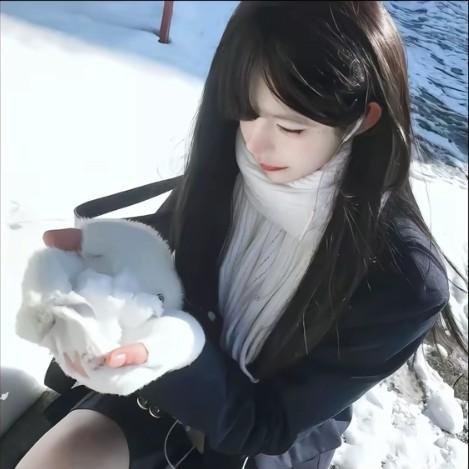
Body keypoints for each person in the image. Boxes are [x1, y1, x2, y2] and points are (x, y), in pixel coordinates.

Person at [16, 2, 462, 469]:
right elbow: (179, 249)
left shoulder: (404, 280)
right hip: (156, 386)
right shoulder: (234, 157)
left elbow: (267, 424)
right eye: (247, 113)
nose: (256, 144)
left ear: (361, 120)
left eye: (291, 126)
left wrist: (175, 345)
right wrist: (120, 264)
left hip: (251, 439)